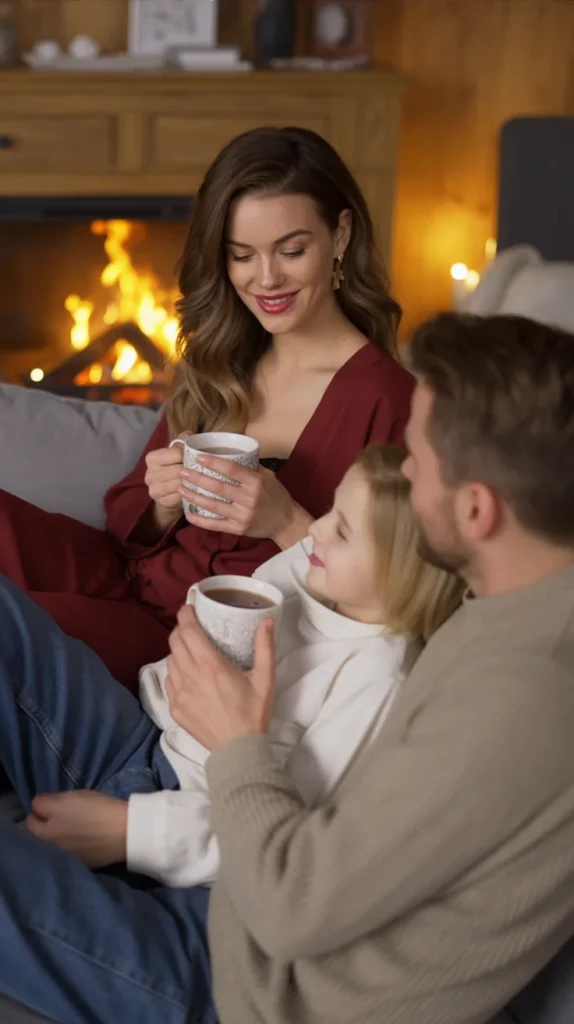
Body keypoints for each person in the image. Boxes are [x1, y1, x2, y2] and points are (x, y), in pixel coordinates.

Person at [162, 312, 574, 1024]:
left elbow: (291, 907)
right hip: (246, 899)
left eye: (414, 461)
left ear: (476, 510)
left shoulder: (519, 697)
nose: (402, 471)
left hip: (259, 990)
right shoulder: (514, 600)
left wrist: (236, 742)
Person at [0, 445, 462, 1022]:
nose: (314, 525)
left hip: (199, 858)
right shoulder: (303, 569)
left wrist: (130, 830)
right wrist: (186, 661)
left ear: (403, 570)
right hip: (145, 749)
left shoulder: (376, 678)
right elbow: (186, 680)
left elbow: (283, 850)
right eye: (330, 511)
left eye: (341, 529)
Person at [0, 126, 413, 690]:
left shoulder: (389, 400)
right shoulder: (226, 356)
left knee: (14, 630)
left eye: (292, 250)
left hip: (192, 639)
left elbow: (393, 594)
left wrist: (287, 522)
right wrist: (162, 501)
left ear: (340, 235)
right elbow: (127, 524)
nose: (266, 279)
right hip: (126, 576)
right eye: (242, 255)